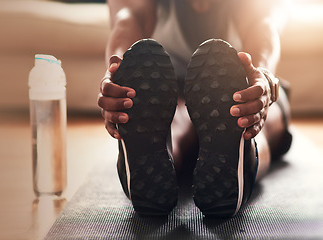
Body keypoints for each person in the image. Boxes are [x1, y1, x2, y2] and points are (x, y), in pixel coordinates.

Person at [98, 0, 292, 217]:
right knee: (174, 118)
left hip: (239, 88)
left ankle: (244, 153)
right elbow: (127, 18)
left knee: (253, 115)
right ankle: (155, 163)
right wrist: (119, 79)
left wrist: (262, 78)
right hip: (170, 93)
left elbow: (263, 25)